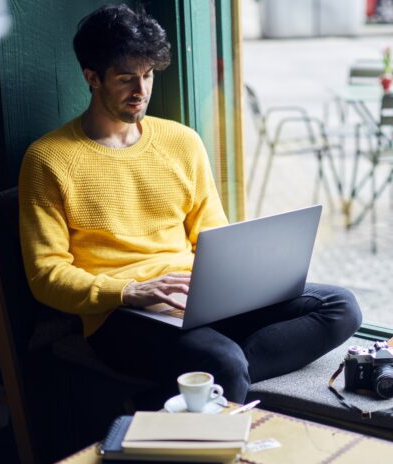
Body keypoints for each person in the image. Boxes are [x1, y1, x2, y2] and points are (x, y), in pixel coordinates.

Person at [18, 4, 361, 404]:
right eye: (126, 78)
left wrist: (242, 281)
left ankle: (199, 386)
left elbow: (211, 235)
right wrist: (129, 291)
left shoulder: (181, 142)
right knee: (225, 363)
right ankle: (217, 379)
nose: (141, 91)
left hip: (197, 298)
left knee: (341, 307)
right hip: (121, 314)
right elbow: (46, 275)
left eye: (147, 76)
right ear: (92, 77)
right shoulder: (48, 159)